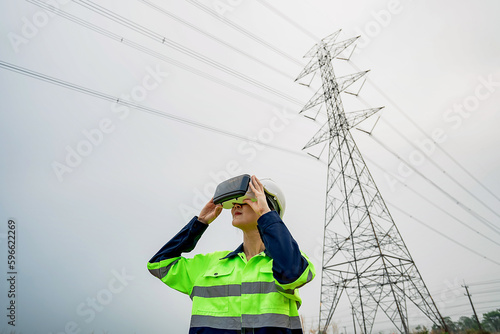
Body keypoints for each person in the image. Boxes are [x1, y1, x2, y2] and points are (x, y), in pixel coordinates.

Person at [147, 175, 315, 333]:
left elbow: (292, 273)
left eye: (246, 200)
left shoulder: (288, 261)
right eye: (235, 202)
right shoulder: (210, 264)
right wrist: (199, 224)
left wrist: (267, 217)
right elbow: (159, 264)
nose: (236, 205)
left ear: (268, 207)